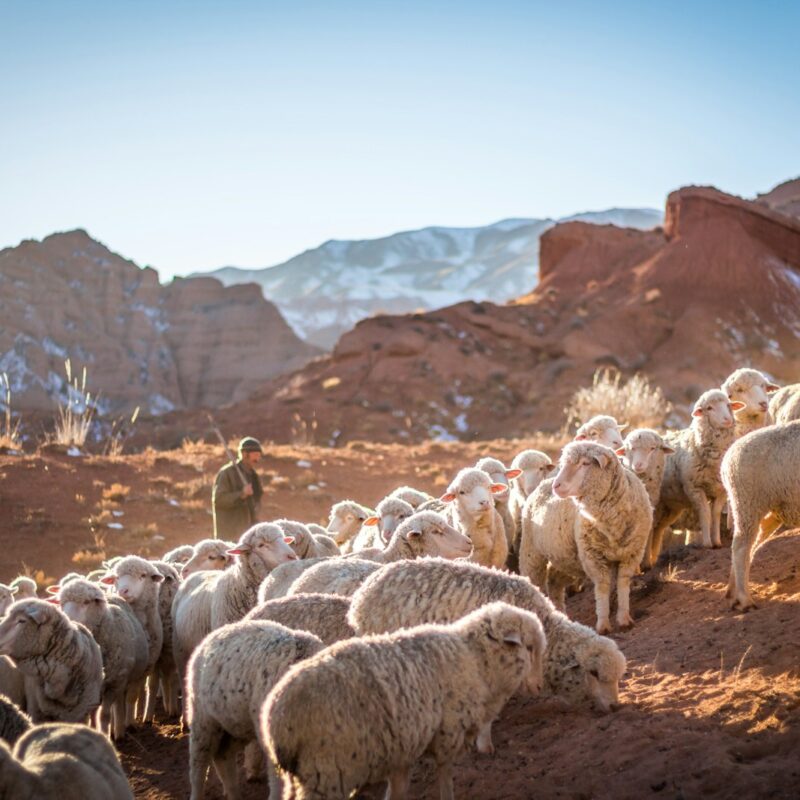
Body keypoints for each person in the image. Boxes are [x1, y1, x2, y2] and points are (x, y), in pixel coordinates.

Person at [212, 437, 264, 540]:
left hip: (249, 534)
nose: (258, 459)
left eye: (259, 456)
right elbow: (219, 500)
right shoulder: (227, 473)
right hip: (230, 535)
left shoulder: (254, 476)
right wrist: (241, 494)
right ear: (245, 454)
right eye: (256, 455)